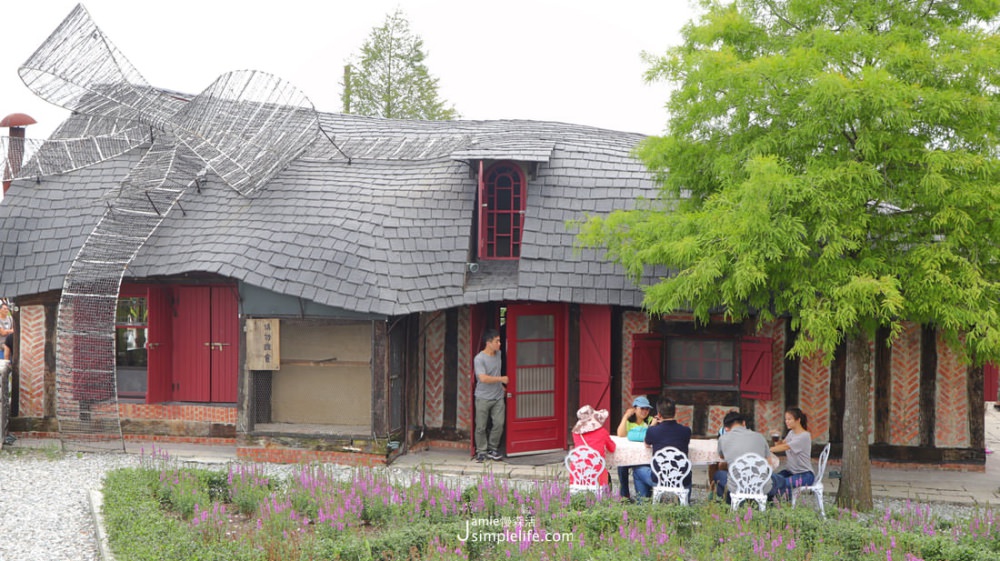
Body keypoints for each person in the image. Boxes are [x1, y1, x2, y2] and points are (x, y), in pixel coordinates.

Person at [713, 411, 785, 501]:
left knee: (718, 474)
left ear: (726, 428)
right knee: (781, 479)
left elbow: (723, 457)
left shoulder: (722, 439)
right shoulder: (760, 437)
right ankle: (770, 504)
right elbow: (769, 464)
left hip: (737, 486)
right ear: (744, 423)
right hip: (761, 486)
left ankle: (727, 503)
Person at [633, 396, 692, 501]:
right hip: (681, 480)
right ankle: (684, 501)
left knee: (637, 471)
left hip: (659, 479)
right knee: (688, 471)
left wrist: (653, 425)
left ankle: (642, 503)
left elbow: (647, 444)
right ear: (675, 412)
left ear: (659, 414)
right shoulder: (686, 431)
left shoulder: (653, 431)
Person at [473, 329, 507, 463]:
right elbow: (483, 378)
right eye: (497, 341)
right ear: (488, 343)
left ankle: (493, 449)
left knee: (499, 424)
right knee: (481, 426)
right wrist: (501, 379)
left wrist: (502, 386)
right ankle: (481, 451)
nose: (499, 343)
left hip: (498, 396)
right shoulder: (479, 358)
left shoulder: (498, 354)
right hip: (483, 397)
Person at [615, 395, 654, 499]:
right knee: (621, 466)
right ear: (635, 409)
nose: (645, 411)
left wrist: (653, 425)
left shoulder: (651, 421)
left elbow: (652, 435)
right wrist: (625, 416)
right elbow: (620, 434)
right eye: (642, 408)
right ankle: (625, 495)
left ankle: (646, 494)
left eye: (647, 409)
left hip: (645, 457)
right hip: (629, 455)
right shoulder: (629, 421)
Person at [770, 407, 815, 495]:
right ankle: (772, 504)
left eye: (789, 419)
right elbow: (780, 445)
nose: (787, 421)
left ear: (798, 420)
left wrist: (766, 449)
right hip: (790, 472)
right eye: (786, 419)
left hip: (805, 475)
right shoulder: (791, 433)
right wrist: (776, 438)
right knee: (770, 481)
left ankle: (787, 505)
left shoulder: (804, 436)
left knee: (781, 483)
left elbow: (786, 447)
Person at [571, 405, 616, 486]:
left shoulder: (575, 433)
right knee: (606, 477)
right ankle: (605, 496)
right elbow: (612, 448)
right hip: (596, 472)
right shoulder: (602, 432)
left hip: (577, 472)